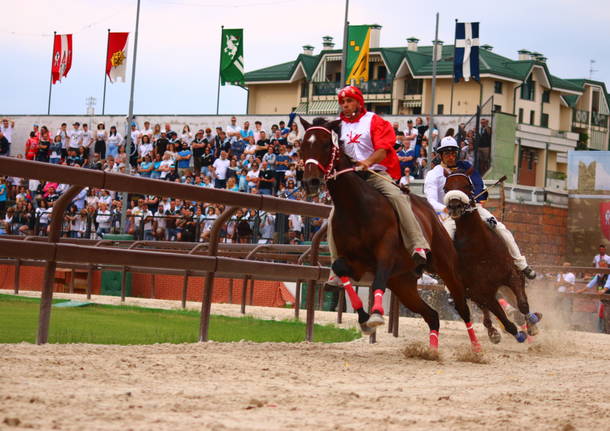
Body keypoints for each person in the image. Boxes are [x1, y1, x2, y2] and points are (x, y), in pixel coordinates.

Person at [326, 85, 431, 286]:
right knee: (333, 216)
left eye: (349, 101)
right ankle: (334, 268)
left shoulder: (373, 121)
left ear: (358, 102)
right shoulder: (337, 126)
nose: (346, 105)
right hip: (351, 179)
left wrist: (367, 162)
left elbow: (383, 150)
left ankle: (418, 244)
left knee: (397, 197)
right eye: (343, 102)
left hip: (375, 174)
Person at [424, 136, 536, 279]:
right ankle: (446, 275)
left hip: (472, 209)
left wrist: (473, 201)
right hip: (450, 214)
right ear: (440, 155)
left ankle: (522, 264)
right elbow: (431, 200)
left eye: (453, 153)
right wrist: (447, 209)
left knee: (500, 228)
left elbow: (479, 186)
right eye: (447, 153)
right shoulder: (433, 174)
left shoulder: (466, 167)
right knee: (446, 239)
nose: (451, 157)